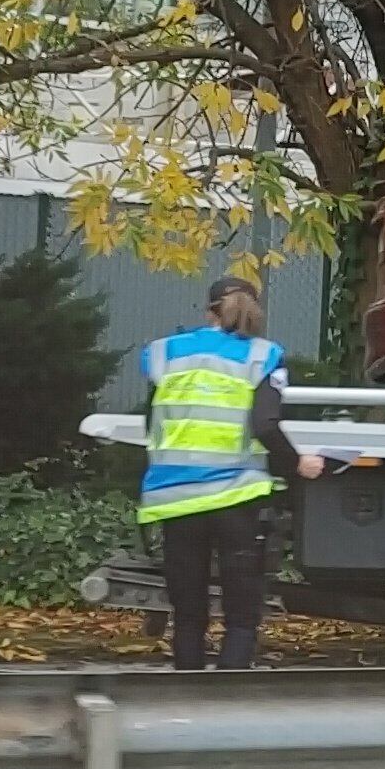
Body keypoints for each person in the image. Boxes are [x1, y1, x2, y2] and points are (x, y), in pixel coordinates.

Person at [139, 275, 325, 670]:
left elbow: (152, 421)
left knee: (188, 611)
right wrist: (298, 463)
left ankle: (186, 688)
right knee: (242, 612)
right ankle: (231, 688)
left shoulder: (165, 353)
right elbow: (264, 424)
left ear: (208, 311)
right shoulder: (262, 356)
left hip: (174, 498)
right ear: (255, 312)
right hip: (235, 498)